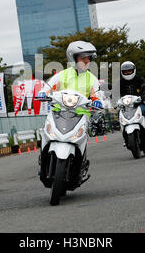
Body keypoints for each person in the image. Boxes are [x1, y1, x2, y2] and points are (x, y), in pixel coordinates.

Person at [35, 40, 102, 183]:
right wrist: (43, 92)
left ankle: (81, 165)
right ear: (73, 58)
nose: (86, 60)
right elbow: (48, 86)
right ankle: (43, 157)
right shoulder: (63, 75)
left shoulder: (92, 79)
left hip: (80, 115)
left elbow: (96, 94)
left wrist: (97, 100)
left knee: (81, 140)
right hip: (59, 112)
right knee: (46, 132)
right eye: (82, 57)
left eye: (88, 58)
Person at [119, 61, 145, 143]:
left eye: (129, 71)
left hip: (139, 103)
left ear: (133, 70)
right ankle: (125, 137)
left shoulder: (139, 79)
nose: (127, 73)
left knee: (143, 111)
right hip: (126, 106)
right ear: (122, 72)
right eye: (125, 71)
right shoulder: (120, 82)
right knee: (120, 116)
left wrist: (144, 94)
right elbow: (115, 91)